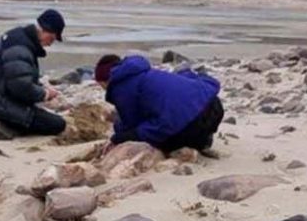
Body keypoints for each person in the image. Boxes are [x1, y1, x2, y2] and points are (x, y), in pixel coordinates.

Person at [94, 54, 224, 153]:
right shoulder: (145, 72)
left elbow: (132, 124)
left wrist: (116, 138)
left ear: (105, 81)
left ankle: (196, 140)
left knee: (154, 138)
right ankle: (202, 139)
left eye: (101, 85)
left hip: (190, 125)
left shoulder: (121, 87)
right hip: (214, 106)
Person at [0, 9, 68, 136]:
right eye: (53, 37)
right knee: (57, 124)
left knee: (41, 114)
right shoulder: (20, 49)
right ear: (46, 30)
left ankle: (6, 119)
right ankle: (4, 122)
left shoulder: (21, 39)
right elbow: (20, 87)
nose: (52, 42)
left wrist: (40, 87)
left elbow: (20, 77)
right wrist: (45, 94)